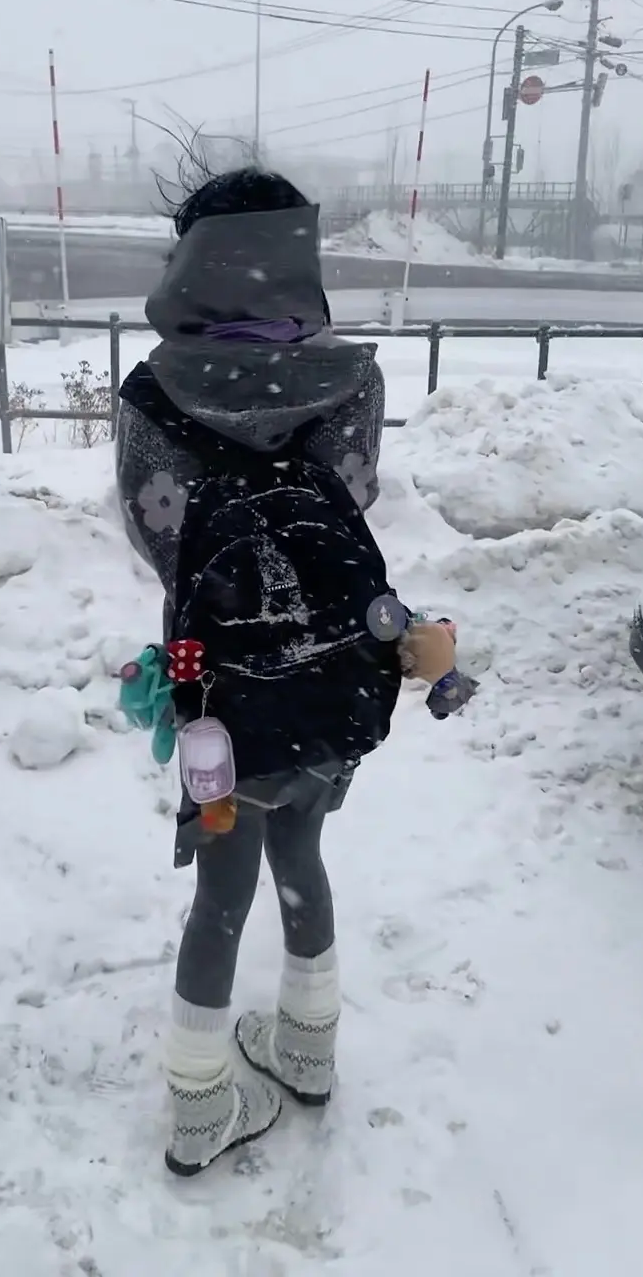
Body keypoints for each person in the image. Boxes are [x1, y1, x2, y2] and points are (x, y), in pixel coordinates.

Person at [115, 164, 457, 1176]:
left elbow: (154, 534)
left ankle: (198, 1104)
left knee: (221, 894)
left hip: (219, 694)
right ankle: (308, 1050)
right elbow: (354, 497)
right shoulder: (351, 378)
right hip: (341, 675)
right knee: (303, 857)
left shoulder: (153, 389)